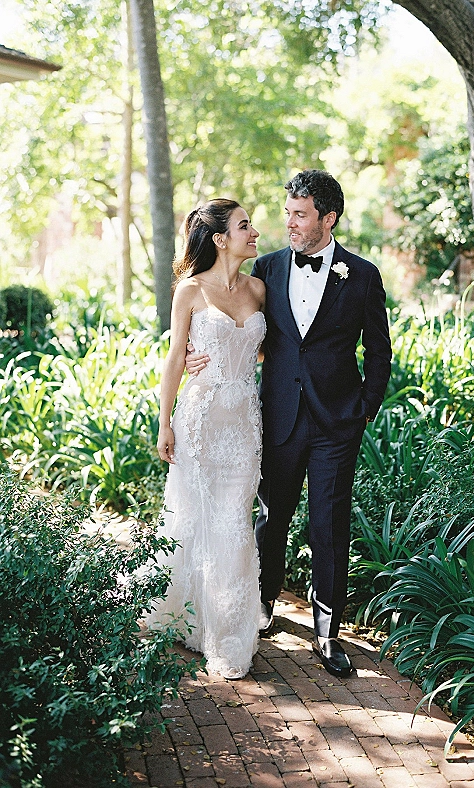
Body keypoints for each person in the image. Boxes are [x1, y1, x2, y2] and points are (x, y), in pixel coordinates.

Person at [186, 170, 391, 678]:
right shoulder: (268, 271)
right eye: (288, 214)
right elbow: (236, 326)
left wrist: (365, 406)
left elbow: (379, 349)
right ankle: (262, 603)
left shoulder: (362, 275)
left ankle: (327, 633)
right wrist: (199, 354)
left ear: (329, 218)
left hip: (337, 423)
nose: (290, 224)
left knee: (327, 524)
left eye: (301, 215)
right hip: (276, 418)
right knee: (271, 518)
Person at [149, 198, 266, 680]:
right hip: (198, 422)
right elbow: (176, 356)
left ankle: (230, 634)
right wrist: (164, 422)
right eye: (244, 225)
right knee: (195, 518)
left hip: (244, 425)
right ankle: (183, 614)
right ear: (220, 239)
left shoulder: (260, 289)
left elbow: (267, 351)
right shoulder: (190, 291)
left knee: (234, 521)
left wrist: (233, 361)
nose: (254, 231)